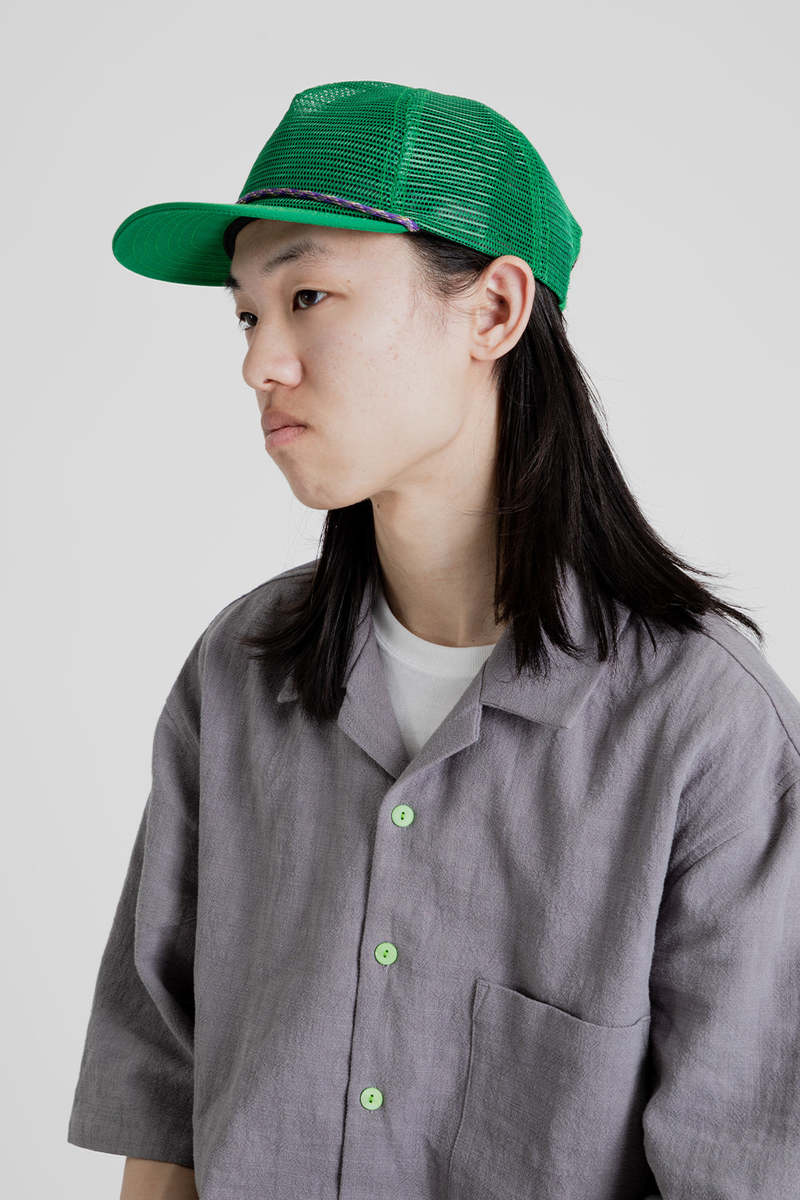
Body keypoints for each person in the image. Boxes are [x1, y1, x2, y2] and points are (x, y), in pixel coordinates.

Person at [67, 79, 800, 1200]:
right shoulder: (239, 670)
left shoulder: (705, 728)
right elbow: (165, 1085)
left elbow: (741, 1162)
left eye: (309, 295)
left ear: (494, 311)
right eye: (248, 316)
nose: (260, 363)